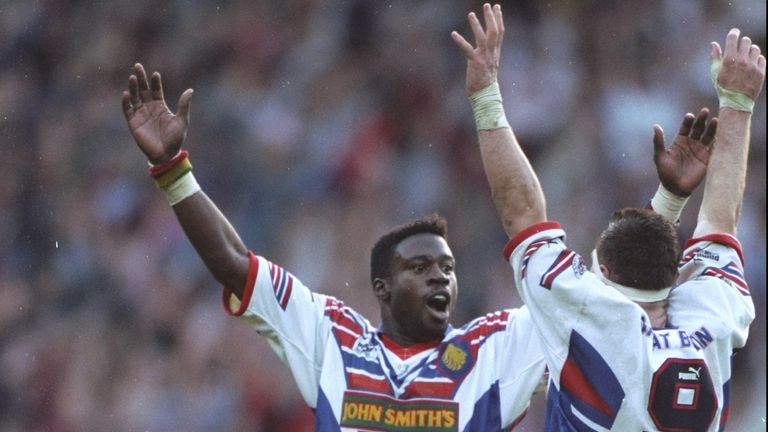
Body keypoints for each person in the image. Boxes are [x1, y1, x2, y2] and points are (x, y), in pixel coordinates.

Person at [120, 66, 548, 432]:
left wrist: (488, 102)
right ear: (382, 287)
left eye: (447, 267)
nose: (440, 276)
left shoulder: (491, 349)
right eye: (420, 267)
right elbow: (236, 265)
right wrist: (175, 174)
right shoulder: (335, 340)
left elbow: (566, 284)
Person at [452, 3, 763, 431]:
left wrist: (485, 95)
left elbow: (521, 209)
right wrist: (738, 104)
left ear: (607, 271)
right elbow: (720, 225)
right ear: (674, 275)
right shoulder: (710, 316)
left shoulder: (588, 316)